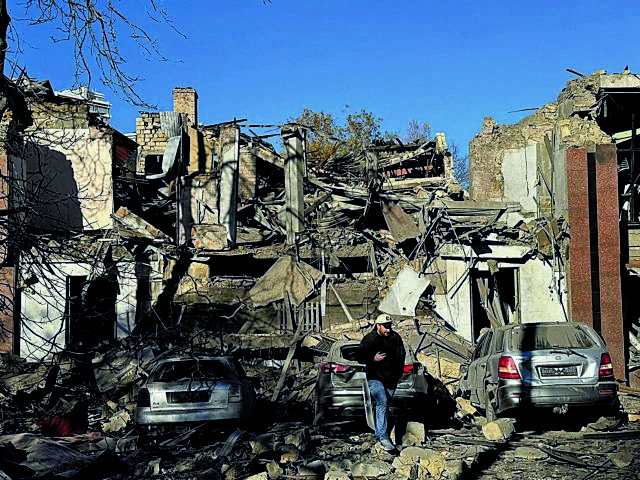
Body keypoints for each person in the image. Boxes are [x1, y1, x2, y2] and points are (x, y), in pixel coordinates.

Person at [357, 313, 406, 452]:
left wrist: (398, 374)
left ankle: (379, 434)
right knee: (382, 401)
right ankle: (384, 437)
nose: (388, 330)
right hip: (375, 377)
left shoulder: (395, 338)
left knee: (385, 406)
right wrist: (372, 358)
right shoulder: (369, 339)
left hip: (391, 379)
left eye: (389, 326)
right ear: (378, 325)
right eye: (385, 327)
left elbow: (402, 355)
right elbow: (359, 357)